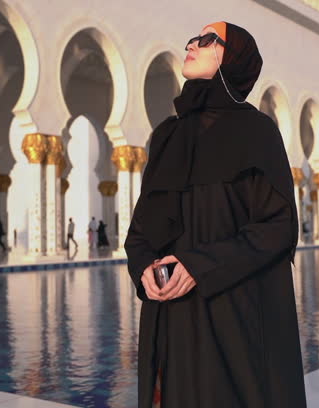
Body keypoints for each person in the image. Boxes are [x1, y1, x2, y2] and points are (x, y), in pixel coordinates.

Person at [125, 22, 305, 407]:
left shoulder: (256, 132)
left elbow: (278, 227)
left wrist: (198, 266)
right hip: (170, 317)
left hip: (231, 314)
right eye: (193, 37)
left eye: (207, 40)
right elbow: (141, 228)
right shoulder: (167, 136)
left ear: (231, 58)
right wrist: (143, 269)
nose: (191, 43)